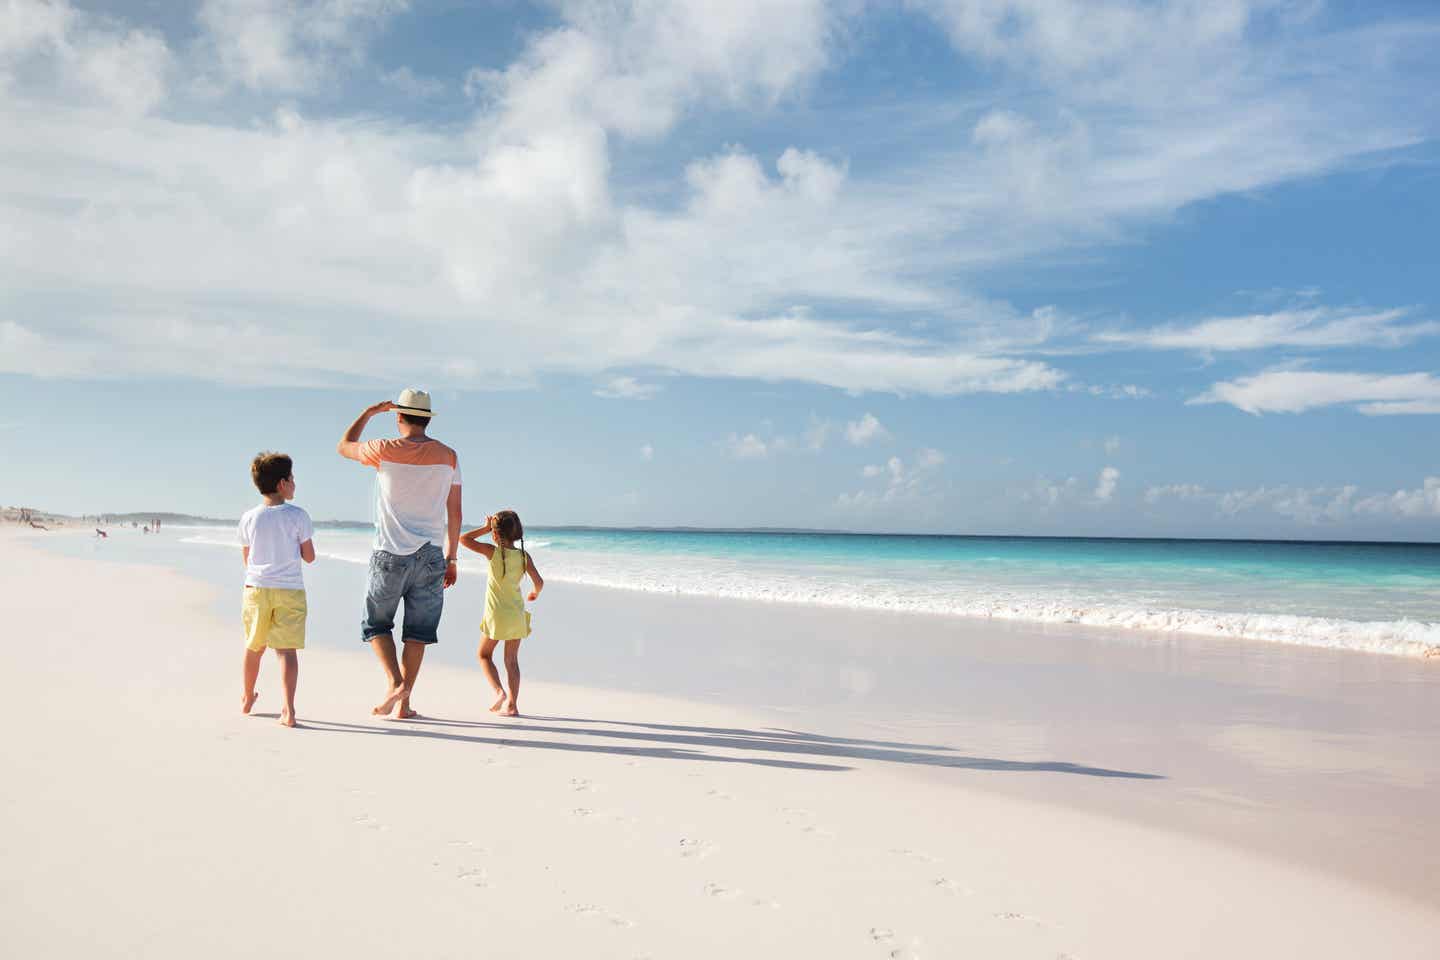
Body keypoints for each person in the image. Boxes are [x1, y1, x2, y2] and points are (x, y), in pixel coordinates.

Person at [337, 389, 462, 719]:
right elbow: (456, 513)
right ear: (427, 418)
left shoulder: (383, 449)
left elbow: (344, 446)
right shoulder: (449, 456)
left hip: (390, 553)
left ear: (399, 417)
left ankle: (395, 682)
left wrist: (367, 413)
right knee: (418, 633)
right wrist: (452, 558)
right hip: (433, 555)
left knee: (376, 623)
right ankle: (404, 704)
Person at [238, 452, 315, 728]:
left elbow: (248, 559)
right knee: (286, 651)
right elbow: (309, 556)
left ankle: (247, 697)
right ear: (283, 483)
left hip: (257, 589)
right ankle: (288, 710)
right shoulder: (298, 516)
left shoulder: (249, 517)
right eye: (292, 479)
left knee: (254, 647)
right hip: (289, 590)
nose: (295, 483)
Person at [459, 510, 543, 717]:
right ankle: (513, 705)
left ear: (495, 535)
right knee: (512, 661)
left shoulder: (492, 552)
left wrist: (484, 528)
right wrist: (534, 593)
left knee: (483, 655)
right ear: (517, 532)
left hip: (496, 615)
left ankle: (499, 692)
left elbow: (463, 539)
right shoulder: (524, 556)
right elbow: (539, 582)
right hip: (516, 615)